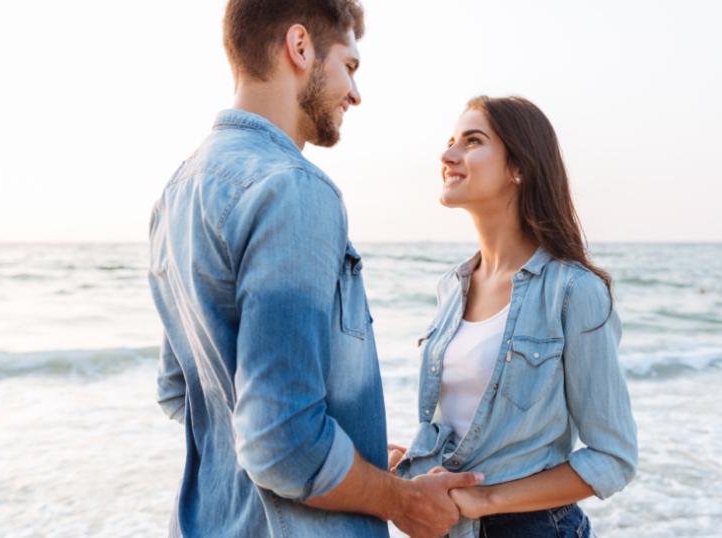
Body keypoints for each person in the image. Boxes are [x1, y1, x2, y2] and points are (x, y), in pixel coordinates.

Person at [147, 1, 483, 537]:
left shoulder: (176, 192)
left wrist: (358, 463)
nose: (355, 92)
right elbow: (282, 440)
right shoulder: (293, 189)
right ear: (300, 47)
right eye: (349, 65)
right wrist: (399, 500)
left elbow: (178, 392)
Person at [389, 96, 638, 538]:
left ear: (518, 167)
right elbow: (476, 427)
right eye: (450, 142)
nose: (448, 155)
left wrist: (483, 500)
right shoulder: (452, 287)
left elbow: (613, 456)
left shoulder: (574, 291)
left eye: (472, 141)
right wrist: (414, 462)